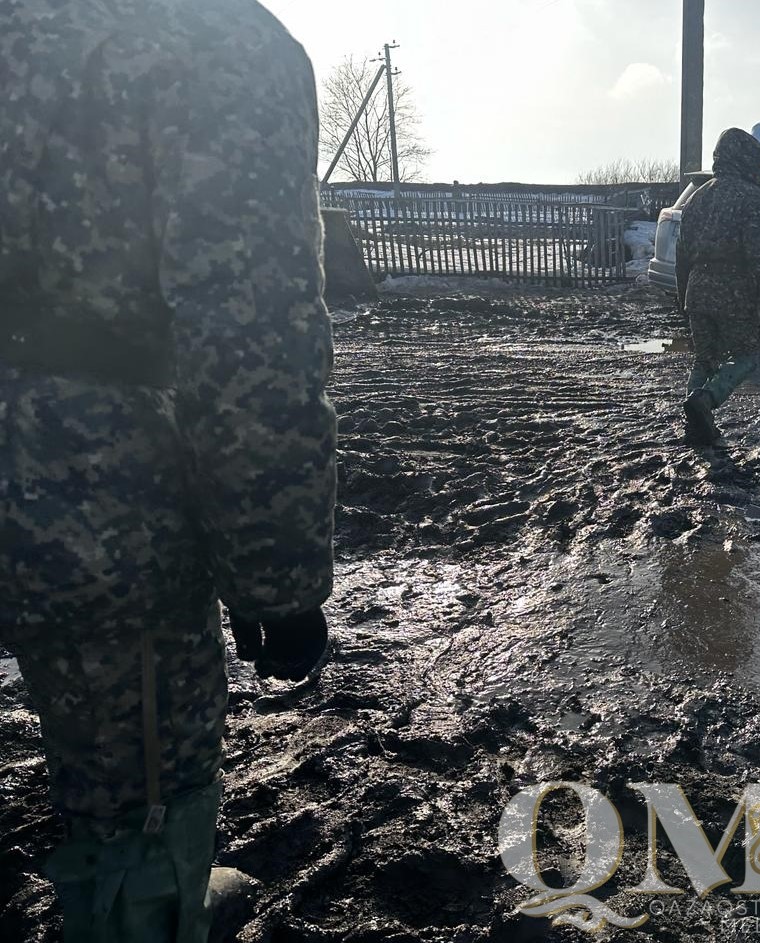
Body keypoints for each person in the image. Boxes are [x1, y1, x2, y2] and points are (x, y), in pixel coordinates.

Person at [1, 1, 337, 940]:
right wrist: (278, 583)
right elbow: (249, 336)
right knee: (136, 775)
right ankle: (147, 906)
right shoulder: (208, 43)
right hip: (86, 487)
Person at [676, 129, 760, 446]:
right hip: (735, 292)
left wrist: (684, 294)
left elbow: (682, 254)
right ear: (746, 160)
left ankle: (696, 421)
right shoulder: (750, 197)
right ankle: (707, 400)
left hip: (697, 290)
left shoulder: (698, 196)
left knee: (704, 359)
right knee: (746, 357)